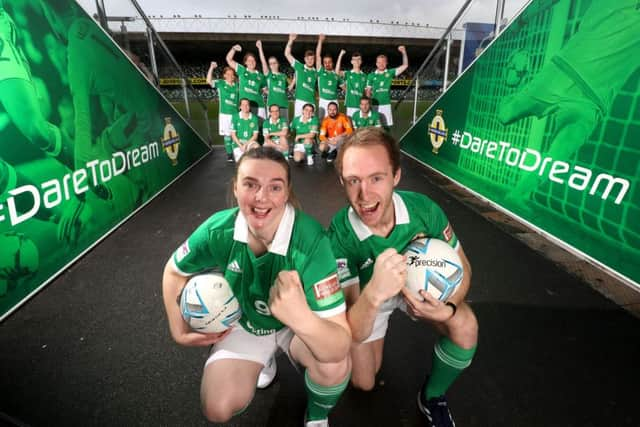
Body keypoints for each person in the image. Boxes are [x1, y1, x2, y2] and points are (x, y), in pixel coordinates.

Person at [162, 146, 351, 427]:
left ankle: (317, 414)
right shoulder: (218, 230)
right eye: (250, 184)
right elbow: (173, 271)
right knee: (217, 407)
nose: (261, 197)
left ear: (286, 193)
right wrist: (177, 330)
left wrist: (299, 318)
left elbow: (339, 345)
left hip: (297, 328)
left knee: (334, 366)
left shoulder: (312, 242)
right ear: (235, 188)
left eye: (274, 187)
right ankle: (265, 359)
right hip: (245, 324)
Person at [328, 128, 478, 427]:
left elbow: (464, 267)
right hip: (372, 299)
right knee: (364, 382)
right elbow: (354, 329)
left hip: (423, 292)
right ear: (342, 181)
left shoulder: (423, 210)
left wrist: (447, 308)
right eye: (353, 181)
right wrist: (373, 295)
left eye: (376, 178)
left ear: (396, 175)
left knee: (466, 325)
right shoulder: (340, 235)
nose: (364, 194)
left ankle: (432, 396)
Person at [365, 46, 409, 128]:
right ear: (376, 63)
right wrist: (368, 105)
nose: (381, 64)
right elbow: (368, 92)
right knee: (374, 128)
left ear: (386, 63)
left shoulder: (390, 72)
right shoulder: (371, 75)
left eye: (383, 62)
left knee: (386, 128)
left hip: (386, 105)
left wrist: (403, 52)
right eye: (379, 62)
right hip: (374, 105)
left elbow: (405, 65)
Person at [206, 62, 238, 162]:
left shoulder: (237, 85)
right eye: (228, 74)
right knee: (228, 136)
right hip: (225, 115)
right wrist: (211, 67)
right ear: (224, 75)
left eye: (232, 74)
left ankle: (237, 153)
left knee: (237, 135)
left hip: (236, 114)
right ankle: (229, 155)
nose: (230, 76)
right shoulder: (220, 83)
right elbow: (208, 81)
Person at [226, 44, 267, 119]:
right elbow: (229, 59)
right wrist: (233, 49)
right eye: (249, 60)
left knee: (260, 129)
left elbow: (266, 90)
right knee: (245, 128)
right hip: (245, 107)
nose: (251, 62)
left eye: (253, 60)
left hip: (259, 106)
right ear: (245, 62)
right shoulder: (242, 70)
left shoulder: (261, 76)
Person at [284, 34, 317, 117]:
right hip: (300, 101)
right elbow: (287, 54)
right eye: (308, 58)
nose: (310, 60)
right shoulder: (299, 67)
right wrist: (290, 40)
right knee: (298, 124)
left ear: (314, 59)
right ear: (305, 59)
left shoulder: (317, 72)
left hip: (312, 102)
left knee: (311, 125)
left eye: (312, 58)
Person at [256, 40, 289, 121]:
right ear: (269, 66)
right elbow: (263, 62)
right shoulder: (269, 75)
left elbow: (286, 90)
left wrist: (295, 80)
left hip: (284, 105)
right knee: (272, 127)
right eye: (271, 63)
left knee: (284, 127)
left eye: (274, 63)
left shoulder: (284, 76)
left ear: (278, 64)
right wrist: (260, 48)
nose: (273, 65)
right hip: (272, 106)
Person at [315, 34, 342, 121]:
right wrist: (320, 41)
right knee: (322, 121)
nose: (327, 64)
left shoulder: (336, 75)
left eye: (329, 62)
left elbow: (345, 88)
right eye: (325, 62)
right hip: (323, 101)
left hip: (334, 101)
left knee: (335, 121)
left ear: (332, 63)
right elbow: (318, 55)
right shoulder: (321, 71)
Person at [335, 50, 367, 119]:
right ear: (351, 62)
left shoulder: (365, 76)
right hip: (350, 106)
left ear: (361, 61)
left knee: (361, 128)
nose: (357, 61)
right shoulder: (348, 74)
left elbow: (366, 93)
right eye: (354, 60)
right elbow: (336, 72)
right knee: (350, 127)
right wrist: (340, 55)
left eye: (358, 59)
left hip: (361, 106)